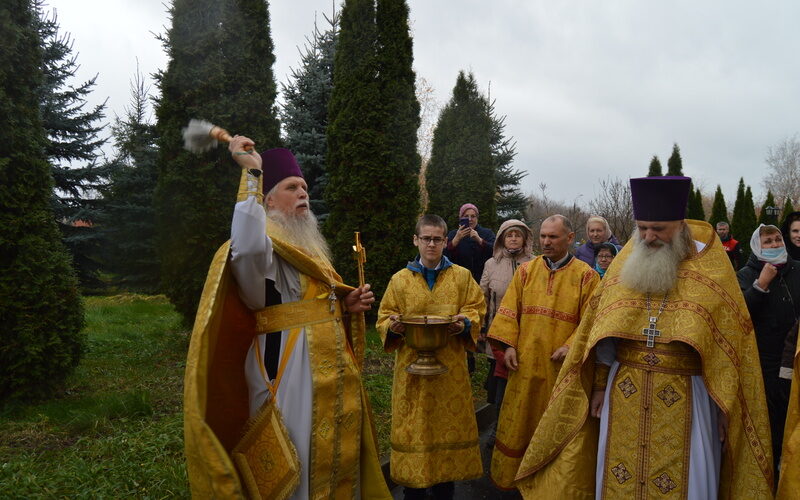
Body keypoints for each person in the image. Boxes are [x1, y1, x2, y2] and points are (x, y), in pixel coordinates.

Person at [512, 176, 774, 499]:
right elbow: (603, 333)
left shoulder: (711, 271)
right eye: (643, 228)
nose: (649, 237)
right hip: (625, 391)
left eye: (658, 229)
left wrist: (725, 411)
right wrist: (597, 385)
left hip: (689, 395)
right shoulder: (625, 267)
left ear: (679, 225)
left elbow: (731, 349)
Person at [184, 138, 390, 499]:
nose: (302, 193)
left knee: (340, 462)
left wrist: (347, 304)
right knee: (299, 469)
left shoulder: (309, 248)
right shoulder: (263, 245)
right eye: (292, 187)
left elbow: (314, 303)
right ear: (269, 200)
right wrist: (252, 173)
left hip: (330, 375)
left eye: (305, 188)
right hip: (286, 373)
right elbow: (246, 248)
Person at [377, 214, 486, 500]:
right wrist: (393, 326)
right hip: (411, 375)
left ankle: (444, 492)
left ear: (445, 241)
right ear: (416, 240)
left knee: (445, 441)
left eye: (438, 239)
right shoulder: (399, 280)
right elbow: (383, 316)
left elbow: (477, 308)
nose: (432, 244)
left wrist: (465, 322)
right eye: (426, 238)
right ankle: (412, 493)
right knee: (414, 435)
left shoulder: (462, 277)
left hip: (450, 371)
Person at [487, 214, 600, 490]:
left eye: (553, 237)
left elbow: (591, 321)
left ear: (570, 238)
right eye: (543, 236)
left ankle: (548, 487)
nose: (546, 242)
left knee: (553, 429)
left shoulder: (587, 276)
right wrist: (509, 345)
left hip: (560, 372)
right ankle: (513, 484)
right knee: (519, 426)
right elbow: (508, 311)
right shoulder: (526, 271)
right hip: (524, 367)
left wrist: (570, 346)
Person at [737, 224, 800, 478]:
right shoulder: (746, 273)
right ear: (756, 246)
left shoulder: (797, 269)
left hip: (795, 357)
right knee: (773, 424)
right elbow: (740, 317)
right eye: (768, 242)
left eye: (777, 240)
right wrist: (760, 285)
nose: (775, 245)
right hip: (765, 362)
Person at [479, 219, 535, 445]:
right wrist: (482, 328)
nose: (513, 238)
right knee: (499, 384)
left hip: (526, 335)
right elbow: (481, 298)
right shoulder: (491, 264)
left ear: (524, 239)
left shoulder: (535, 264)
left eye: (517, 235)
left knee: (523, 383)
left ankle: (523, 430)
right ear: (502, 238)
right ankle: (498, 427)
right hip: (499, 335)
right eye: (508, 234)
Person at [445, 203, 496, 283]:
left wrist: (480, 240)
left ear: (477, 218)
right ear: (460, 218)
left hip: (482, 280)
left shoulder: (487, 233)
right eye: (466, 216)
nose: (469, 219)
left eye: (473, 216)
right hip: (458, 280)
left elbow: (496, 252)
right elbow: (443, 256)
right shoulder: (453, 234)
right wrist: (454, 241)